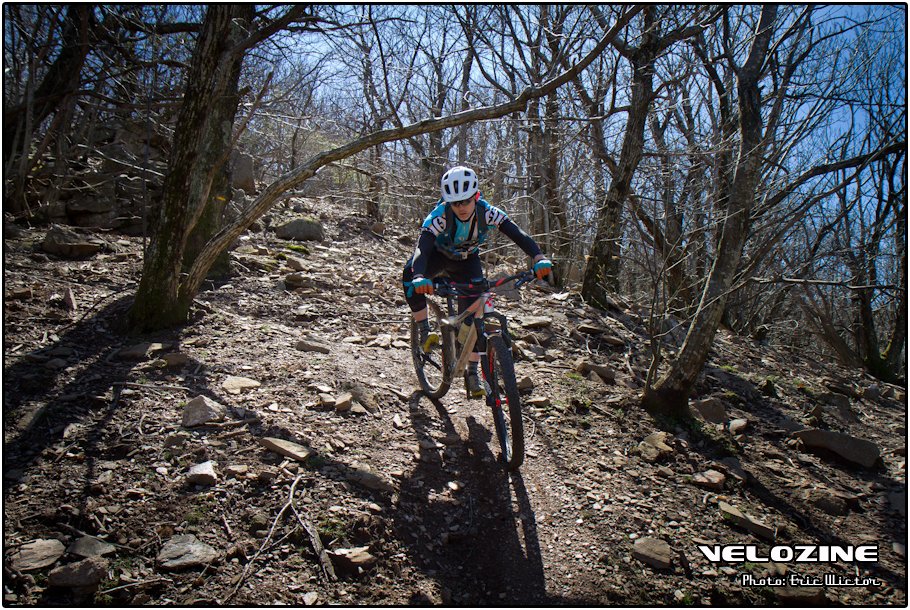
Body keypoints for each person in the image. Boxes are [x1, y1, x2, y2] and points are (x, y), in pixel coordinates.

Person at [402, 166, 552, 397]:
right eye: (455, 203)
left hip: (466, 261)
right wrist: (419, 276)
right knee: (408, 274)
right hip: (436, 258)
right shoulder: (439, 216)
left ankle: (472, 371)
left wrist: (538, 257)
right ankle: (424, 330)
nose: (461, 207)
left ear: (476, 197)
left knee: (474, 314)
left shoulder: (488, 212)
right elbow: (422, 249)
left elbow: (517, 234)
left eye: (466, 201)